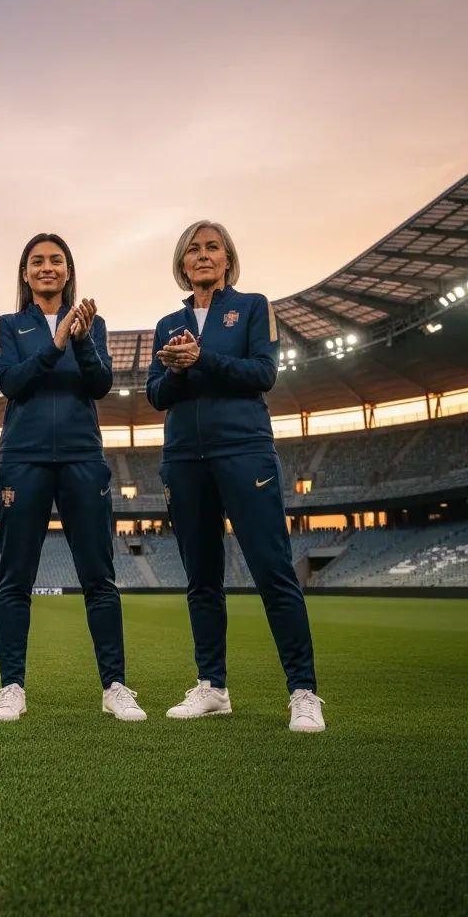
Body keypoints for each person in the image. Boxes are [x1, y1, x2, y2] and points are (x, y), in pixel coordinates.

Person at [146, 220, 325, 732]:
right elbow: (156, 395)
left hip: (243, 451)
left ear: (227, 260)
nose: (203, 256)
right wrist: (177, 369)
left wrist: (203, 357)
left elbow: (263, 374)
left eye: (213, 248)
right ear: (182, 264)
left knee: (273, 571)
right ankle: (213, 687)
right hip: (183, 458)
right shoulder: (166, 324)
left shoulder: (251, 307)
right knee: (202, 579)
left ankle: (303, 690)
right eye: (193, 250)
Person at [0, 233, 144, 722]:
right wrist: (55, 348)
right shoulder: (9, 324)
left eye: (56, 260)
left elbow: (101, 385)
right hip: (24, 458)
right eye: (37, 261)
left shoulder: (91, 325)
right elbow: (10, 382)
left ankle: (114, 685)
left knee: (99, 578)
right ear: (25, 273)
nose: (47, 267)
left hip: (82, 457)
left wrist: (81, 342)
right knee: (15, 579)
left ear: (69, 271)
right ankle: (12, 686)